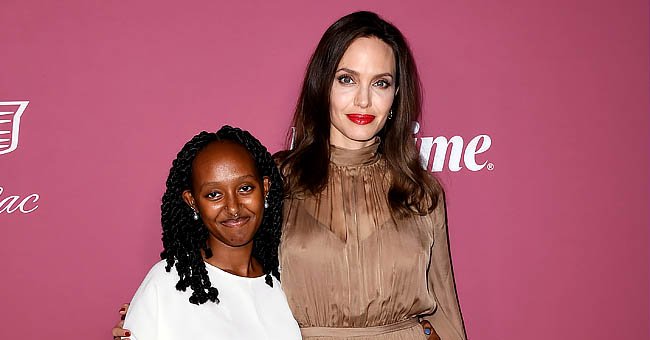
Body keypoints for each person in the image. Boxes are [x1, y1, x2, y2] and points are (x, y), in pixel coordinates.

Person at [114, 11, 466, 340]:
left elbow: (446, 311)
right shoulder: (280, 180)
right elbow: (234, 277)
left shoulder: (421, 191)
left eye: (381, 83)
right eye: (347, 79)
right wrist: (159, 314)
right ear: (322, 84)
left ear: (396, 94)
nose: (363, 100)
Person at [119, 126, 301, 340]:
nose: (233, 208)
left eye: (245, 188)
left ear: (265, 188)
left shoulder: (285, 283)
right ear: (192, 201)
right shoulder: (166, 284)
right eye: (214, 194)